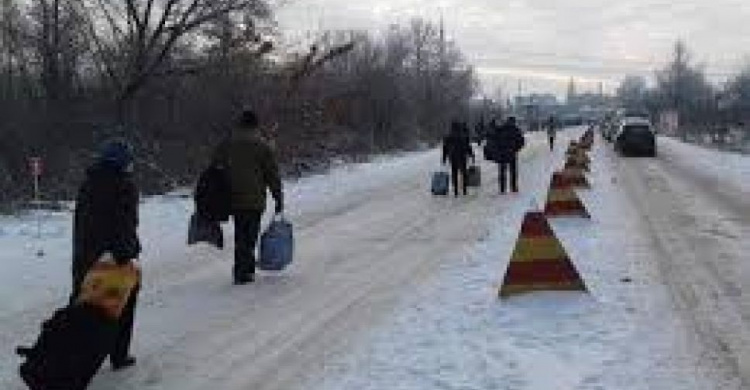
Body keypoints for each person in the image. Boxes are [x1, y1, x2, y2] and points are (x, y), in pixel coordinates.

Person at [71, 138, 141, 371]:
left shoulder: (88, 183)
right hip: (113, 257)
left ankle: (70, 355)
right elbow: (125, 225)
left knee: (82, 307)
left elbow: (82, 223)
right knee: (122, 305)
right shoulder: (124, 185)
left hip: (85, 256)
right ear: (122, 162)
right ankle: (118, 355)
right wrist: (127, 255)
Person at [212, 110, 284, 285]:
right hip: (255, 199)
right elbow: (272, 174)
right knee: (250, 234)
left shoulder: (228, 143)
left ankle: (242, 269)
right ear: (255, 125)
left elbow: (215, 165)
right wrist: (278, 197)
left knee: (240, 233)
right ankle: (244, 271)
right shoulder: (262, 146)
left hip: (233, 197)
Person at [488, 117, 525, 193]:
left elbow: (494, 136)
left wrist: (498, 149)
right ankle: (513, 187)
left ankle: (502, 189)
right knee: (513, 171)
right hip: (511, 153)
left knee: (502, 171)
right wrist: (516, 149)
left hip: (502, 154)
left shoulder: (502, 129)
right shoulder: (516, 130)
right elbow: (521, 142)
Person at [442, 121, 475, 197]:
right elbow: (468, 147)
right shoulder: (463, 136)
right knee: (464, 173)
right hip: (462, 157)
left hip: (453, 157)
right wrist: (471, 155)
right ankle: (464, 189)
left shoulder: (448, 137)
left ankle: (456, 191)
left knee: (454, 173)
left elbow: (445, 148)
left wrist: (444, 158)